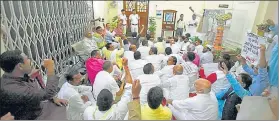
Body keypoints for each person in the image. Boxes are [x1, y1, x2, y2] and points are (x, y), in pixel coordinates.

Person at [0, 50, 67, 120]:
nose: (31, 60)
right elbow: (48, 93)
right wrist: (50, 69)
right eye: (28, 58)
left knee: (65, 106)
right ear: (20, 66)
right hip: (31, 117)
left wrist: (53, 98)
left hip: (37, 108)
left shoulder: (19, 76)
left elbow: (41, 92)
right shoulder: (12, 88)